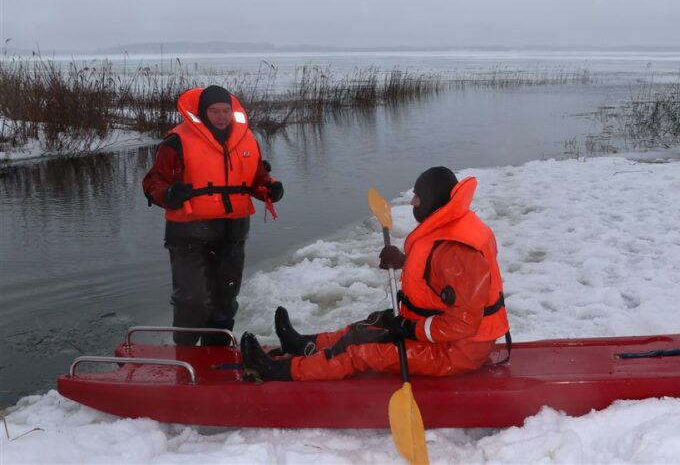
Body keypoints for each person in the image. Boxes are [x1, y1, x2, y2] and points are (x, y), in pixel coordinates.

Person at [239, 166, 510, 382]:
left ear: (433, 201)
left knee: (362, 351)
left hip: (456, 351)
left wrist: (409, 328)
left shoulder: (458, 250)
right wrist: (405, 261)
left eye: (418, 196)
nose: (413, 201)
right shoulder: (450, 225)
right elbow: (441, 274)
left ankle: (280, 371)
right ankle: (303, 345)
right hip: (445, 336)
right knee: (369, 325)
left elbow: (463, 323)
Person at [143, 85, 283, 346]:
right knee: (192, 299)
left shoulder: (247, 139)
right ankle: (185, 353)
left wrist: (269, 188)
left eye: (225, 111)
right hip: (189, 233)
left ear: (232, 111)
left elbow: (256, 179)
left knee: (225, 300)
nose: (221, 116)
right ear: (202, 113)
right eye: (214, 111)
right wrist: (169, 194)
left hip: (233, 231)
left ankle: (216, 354)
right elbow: (154, 182)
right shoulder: (177, 142)